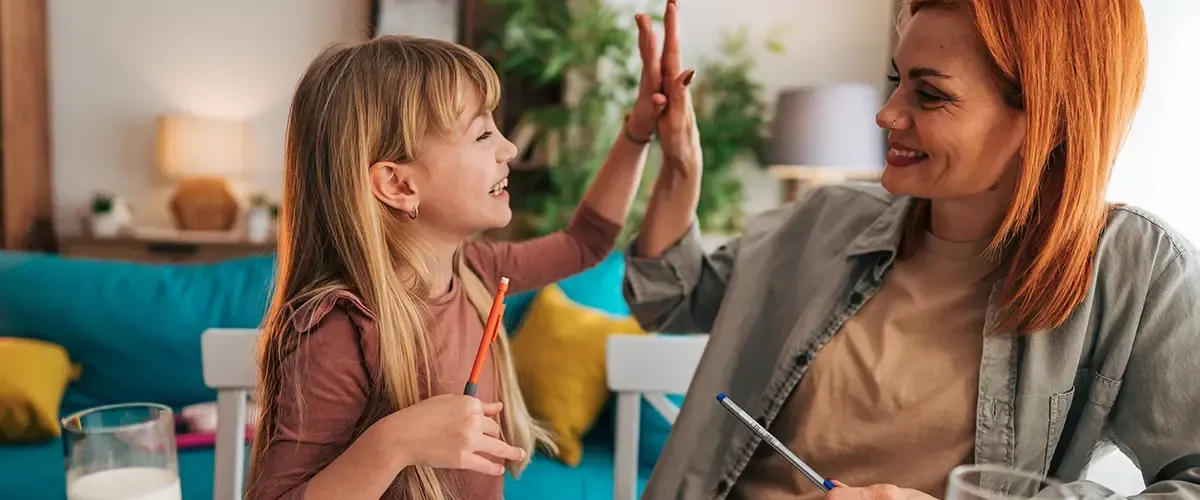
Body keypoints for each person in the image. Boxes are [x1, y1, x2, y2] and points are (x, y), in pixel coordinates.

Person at [626, 0, 1200, 499]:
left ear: (1049, 119)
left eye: (929, 95)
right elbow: (667, 299)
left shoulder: (1139, 272)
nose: (886, 115)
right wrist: (678, 165)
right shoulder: (825, 221)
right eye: (896, 80)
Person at [245, 25, 672, 500]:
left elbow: (587, 241)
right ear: (399, 185)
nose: (508, 149)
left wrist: (638, 132)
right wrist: (394, 442)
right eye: (483, 134)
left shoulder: (477, 272)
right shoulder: (341, 328)